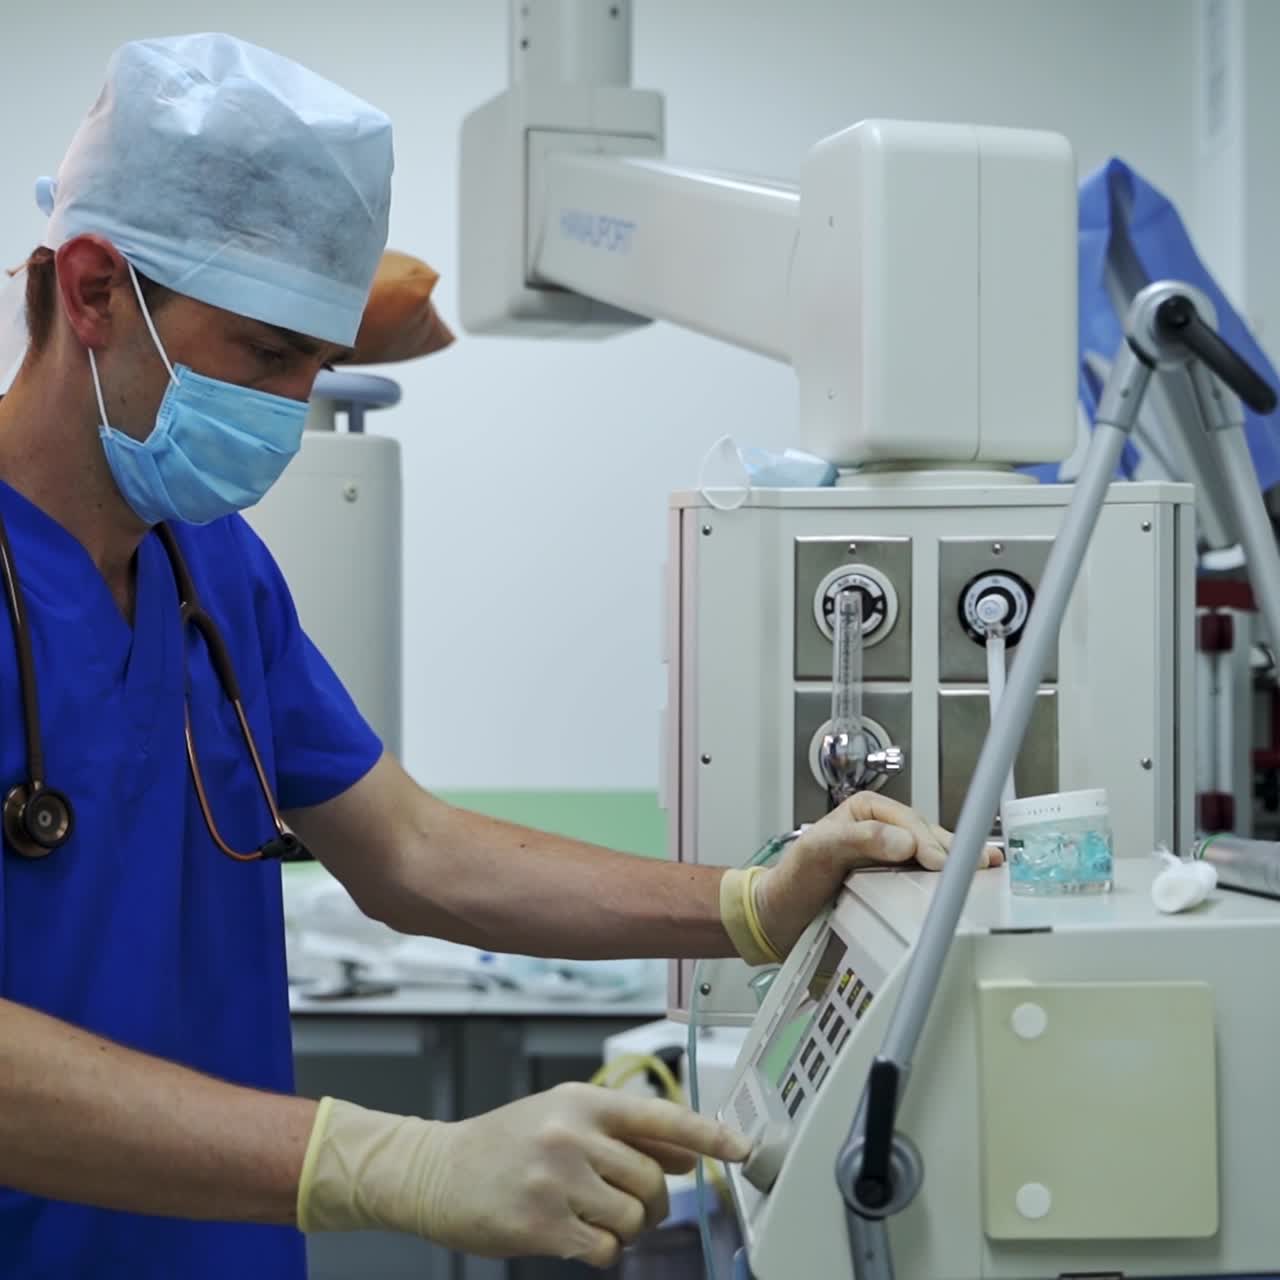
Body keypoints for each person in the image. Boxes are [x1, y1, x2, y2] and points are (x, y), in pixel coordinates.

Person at [0, 32, 1001, 1279]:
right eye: (265, 358)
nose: (290, 410)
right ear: (93, 289)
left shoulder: (214, 569)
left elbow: (408, 850)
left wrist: (744, 903)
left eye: (318, 366)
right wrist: (390, 1161)